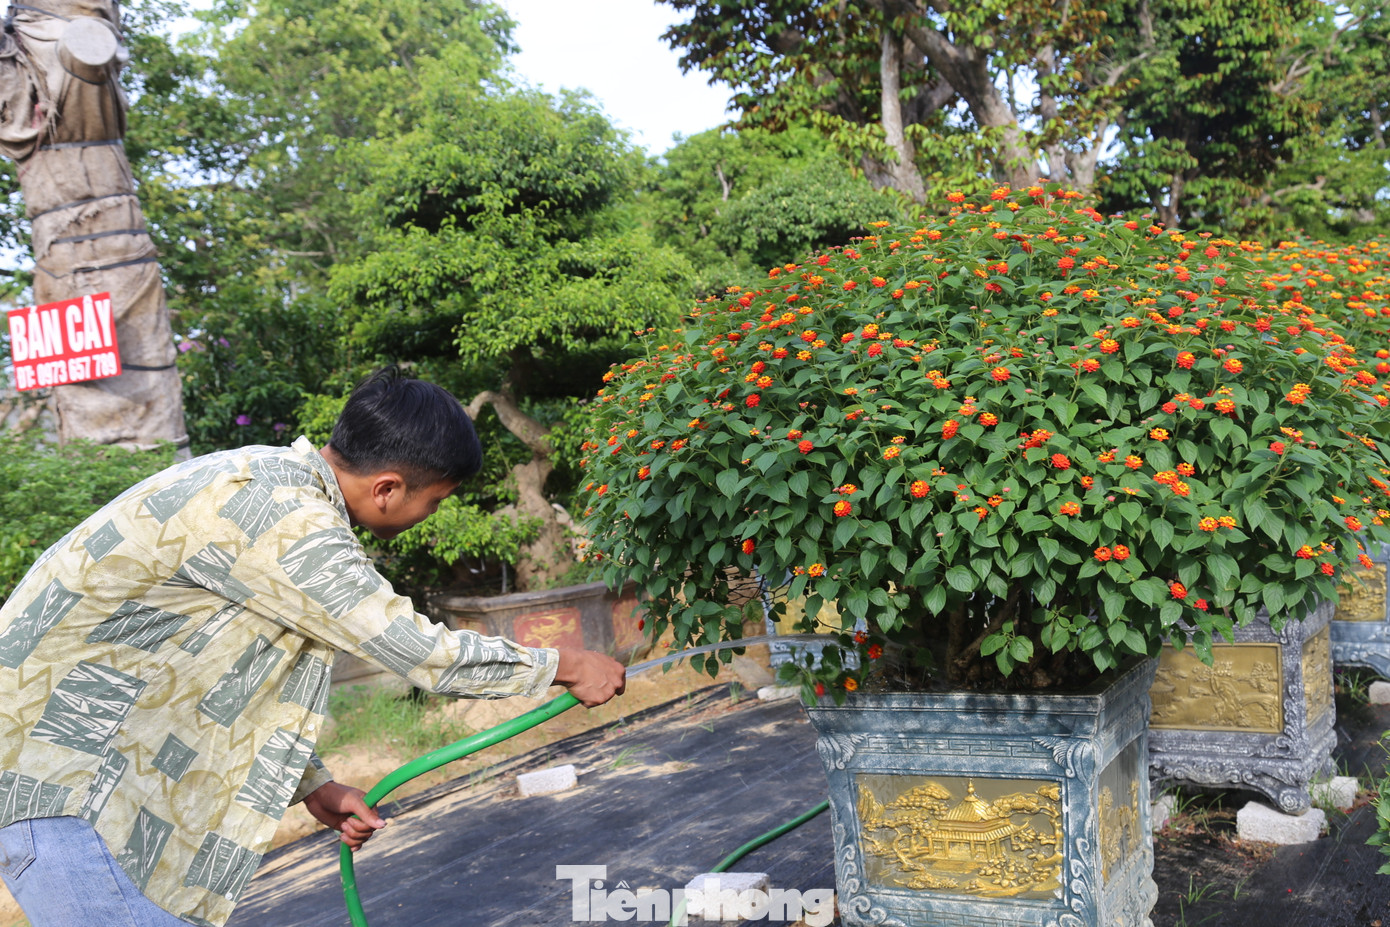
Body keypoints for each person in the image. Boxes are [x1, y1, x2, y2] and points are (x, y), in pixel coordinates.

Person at [0, 368, 625, 927]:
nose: (429, 516)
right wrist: (565, 662)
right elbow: (414, 648)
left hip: (81, 785)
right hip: (65, 791)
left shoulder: (268, 485)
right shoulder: (282, 515)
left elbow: (223, 670)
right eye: (434, 501)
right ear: (387, 488)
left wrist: (314, 786)